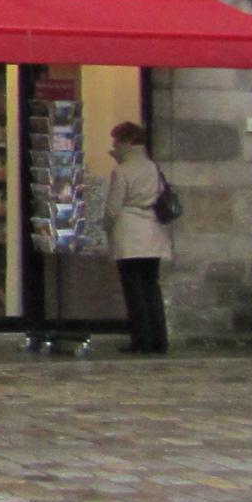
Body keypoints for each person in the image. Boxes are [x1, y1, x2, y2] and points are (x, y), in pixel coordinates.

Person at [106, 121, 172, 355]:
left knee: (133, 290)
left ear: (126, 142)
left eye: (117, 140)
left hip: (129, 232)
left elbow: (113, 208)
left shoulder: (122, 171)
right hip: (152, 230)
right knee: (152, 287)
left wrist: (105, 227)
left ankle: (141, 339)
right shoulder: (152, 167)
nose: (114, 144)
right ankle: (159, 339)